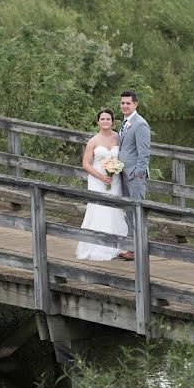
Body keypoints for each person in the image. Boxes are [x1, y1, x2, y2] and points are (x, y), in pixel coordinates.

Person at [75, 109, 129, 261]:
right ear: (98, 122)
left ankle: (116, 245)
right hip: (98, 180)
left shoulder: (119, 138)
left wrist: (117, 168)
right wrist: (101, 177)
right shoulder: (93, 141)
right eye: (102, 119)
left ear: (113, 121)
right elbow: (85, 164)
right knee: (99, 210)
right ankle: (97, 246)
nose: (105, 121)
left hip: (115, 180)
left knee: (115, 211)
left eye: (108, 119)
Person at [116, 90, 150, 261]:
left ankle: (140, 250)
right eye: (122, 103)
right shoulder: (124, 123)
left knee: (137, 212)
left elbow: (144, 153)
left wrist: (138, 174)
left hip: (134, 176)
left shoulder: (140, 124)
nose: (124, 106)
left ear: (135, 104)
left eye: (128, 103)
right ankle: (131, 248)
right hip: (123, 173)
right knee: (128, 212)